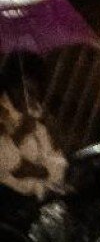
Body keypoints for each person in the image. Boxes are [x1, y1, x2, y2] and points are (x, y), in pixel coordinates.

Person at [0, 54, 66, 212]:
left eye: (33, 92)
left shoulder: (38, 117)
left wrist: (40, 170)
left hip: (35, 201)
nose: (28, 97)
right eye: (24, 89)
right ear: (11, 85)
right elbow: (7, 164)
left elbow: (59, 165)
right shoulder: (3, 114)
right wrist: (20, 135)